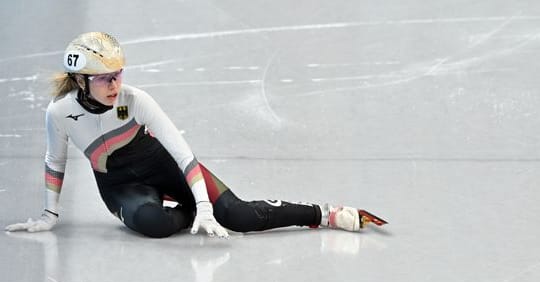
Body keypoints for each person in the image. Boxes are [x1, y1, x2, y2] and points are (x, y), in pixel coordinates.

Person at [5, 32, 377, 238]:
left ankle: (325, 214)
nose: (116, 84)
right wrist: (49, 214)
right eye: (105, 78)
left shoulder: (136, 100)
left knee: (238, 216)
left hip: (161, 165)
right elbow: (54, 161)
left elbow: (184, 155)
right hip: (119, 186)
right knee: (154, 225)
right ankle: (181, 214)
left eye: (119, 74)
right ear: (82, 81)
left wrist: (205, 207)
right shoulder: (60, 113)